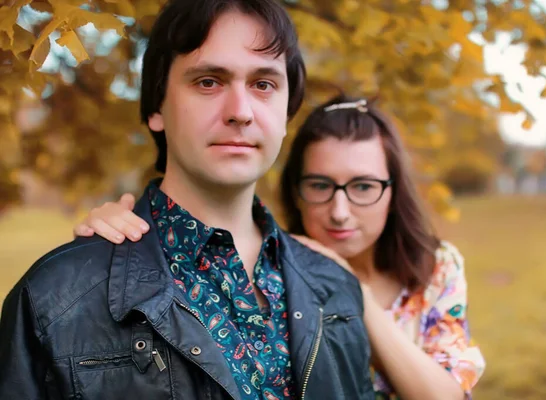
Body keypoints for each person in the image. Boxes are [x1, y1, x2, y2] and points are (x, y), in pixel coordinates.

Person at [0, 1, 375, 399]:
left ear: (286, 113)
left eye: (263, 84)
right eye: (208, 82)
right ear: (157, 106)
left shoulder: (335, 289)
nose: (241, 112)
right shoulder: (56, 297)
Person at [75, 94, 486, 399]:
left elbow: (445, 394)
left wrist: (355, 293)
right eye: (320, 186)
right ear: (295, 190)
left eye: (363, 186)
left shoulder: (435, 266)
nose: (339, 211)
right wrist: (119, 233)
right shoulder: (268, 269)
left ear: (394, 191)